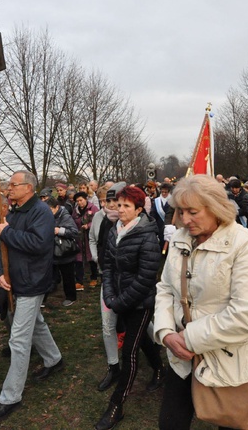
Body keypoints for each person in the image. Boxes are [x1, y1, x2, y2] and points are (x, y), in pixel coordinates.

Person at [155, 175, 248, 430]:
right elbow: (165, 289)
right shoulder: (179, 239)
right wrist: (164, 333)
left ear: (216, 208)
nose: (184, 220)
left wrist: (187, 338)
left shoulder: (245, 244)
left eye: (193, 212)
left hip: (229, 356)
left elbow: (244, 316)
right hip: (180, 356)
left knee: (231, 424)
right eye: (180, 211)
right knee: (170, 424)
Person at [0, 171, 64, 424]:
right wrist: (0, 273)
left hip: (33, 280)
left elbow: (39, 244)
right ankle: (54, 359)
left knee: (18, 338)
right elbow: (2, 246)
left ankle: (10, 397)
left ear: (28, 187)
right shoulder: (14, 211)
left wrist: (6, 232)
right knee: (36, 322)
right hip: (15, 279)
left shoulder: (40, 211)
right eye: (8, 185)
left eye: (13, 185)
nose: (9, 189)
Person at [95, 186, 165, 430]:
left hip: (140, 303)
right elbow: (108, 266)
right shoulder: (116, 230)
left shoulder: (147, 235)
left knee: (130, 353)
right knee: (142, 340)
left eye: (126, 206)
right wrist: (110, 295)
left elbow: (146, 278)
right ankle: (159, 368)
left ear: (138, 209)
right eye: (118, 204)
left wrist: (121, 301)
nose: (120, 209)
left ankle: (116, 406)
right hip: (119, 299)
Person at [89, 182, 126, 392]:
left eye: (116, 201)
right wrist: (98, 261)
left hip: (128, 283)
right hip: (108, 280)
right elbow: (95, 241)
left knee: (141, 322)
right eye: (108, 201)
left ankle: (156, 350)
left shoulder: (135, 222)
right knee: (107, 325)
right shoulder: (101, 219)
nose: (112, 205)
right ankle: (113, 367)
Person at [48, 197, 79, 306]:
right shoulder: (48, 216)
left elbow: (74, 232)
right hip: (52, 251)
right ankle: (45, 296)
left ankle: (71, 297)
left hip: (65, 251)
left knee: (68, 276)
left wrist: (59, 230)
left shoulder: (65, 216)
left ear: (56, 207)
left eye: (50, 209)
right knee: (49, 275)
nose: (48, 212)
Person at [72, 191, 100, 289]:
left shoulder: (93, 208)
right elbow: (73, 221)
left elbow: (98, 220)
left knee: (91, 257)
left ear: (85, 199)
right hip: (80, 238)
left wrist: (88, 225)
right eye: (77, 201)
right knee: (78, 259)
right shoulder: (76, 210)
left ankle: (94, 277)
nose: (79, 203)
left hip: (89, 237)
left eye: (81, 200)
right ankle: (79, 281)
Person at [150, 182, 175, 250]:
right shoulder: (156, 201)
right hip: (159, 227)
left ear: (169, 192)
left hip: (170, 227)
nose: (163, 194)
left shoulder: (173, 201)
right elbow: (153, 214)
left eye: (166, 192)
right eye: (162, 192)